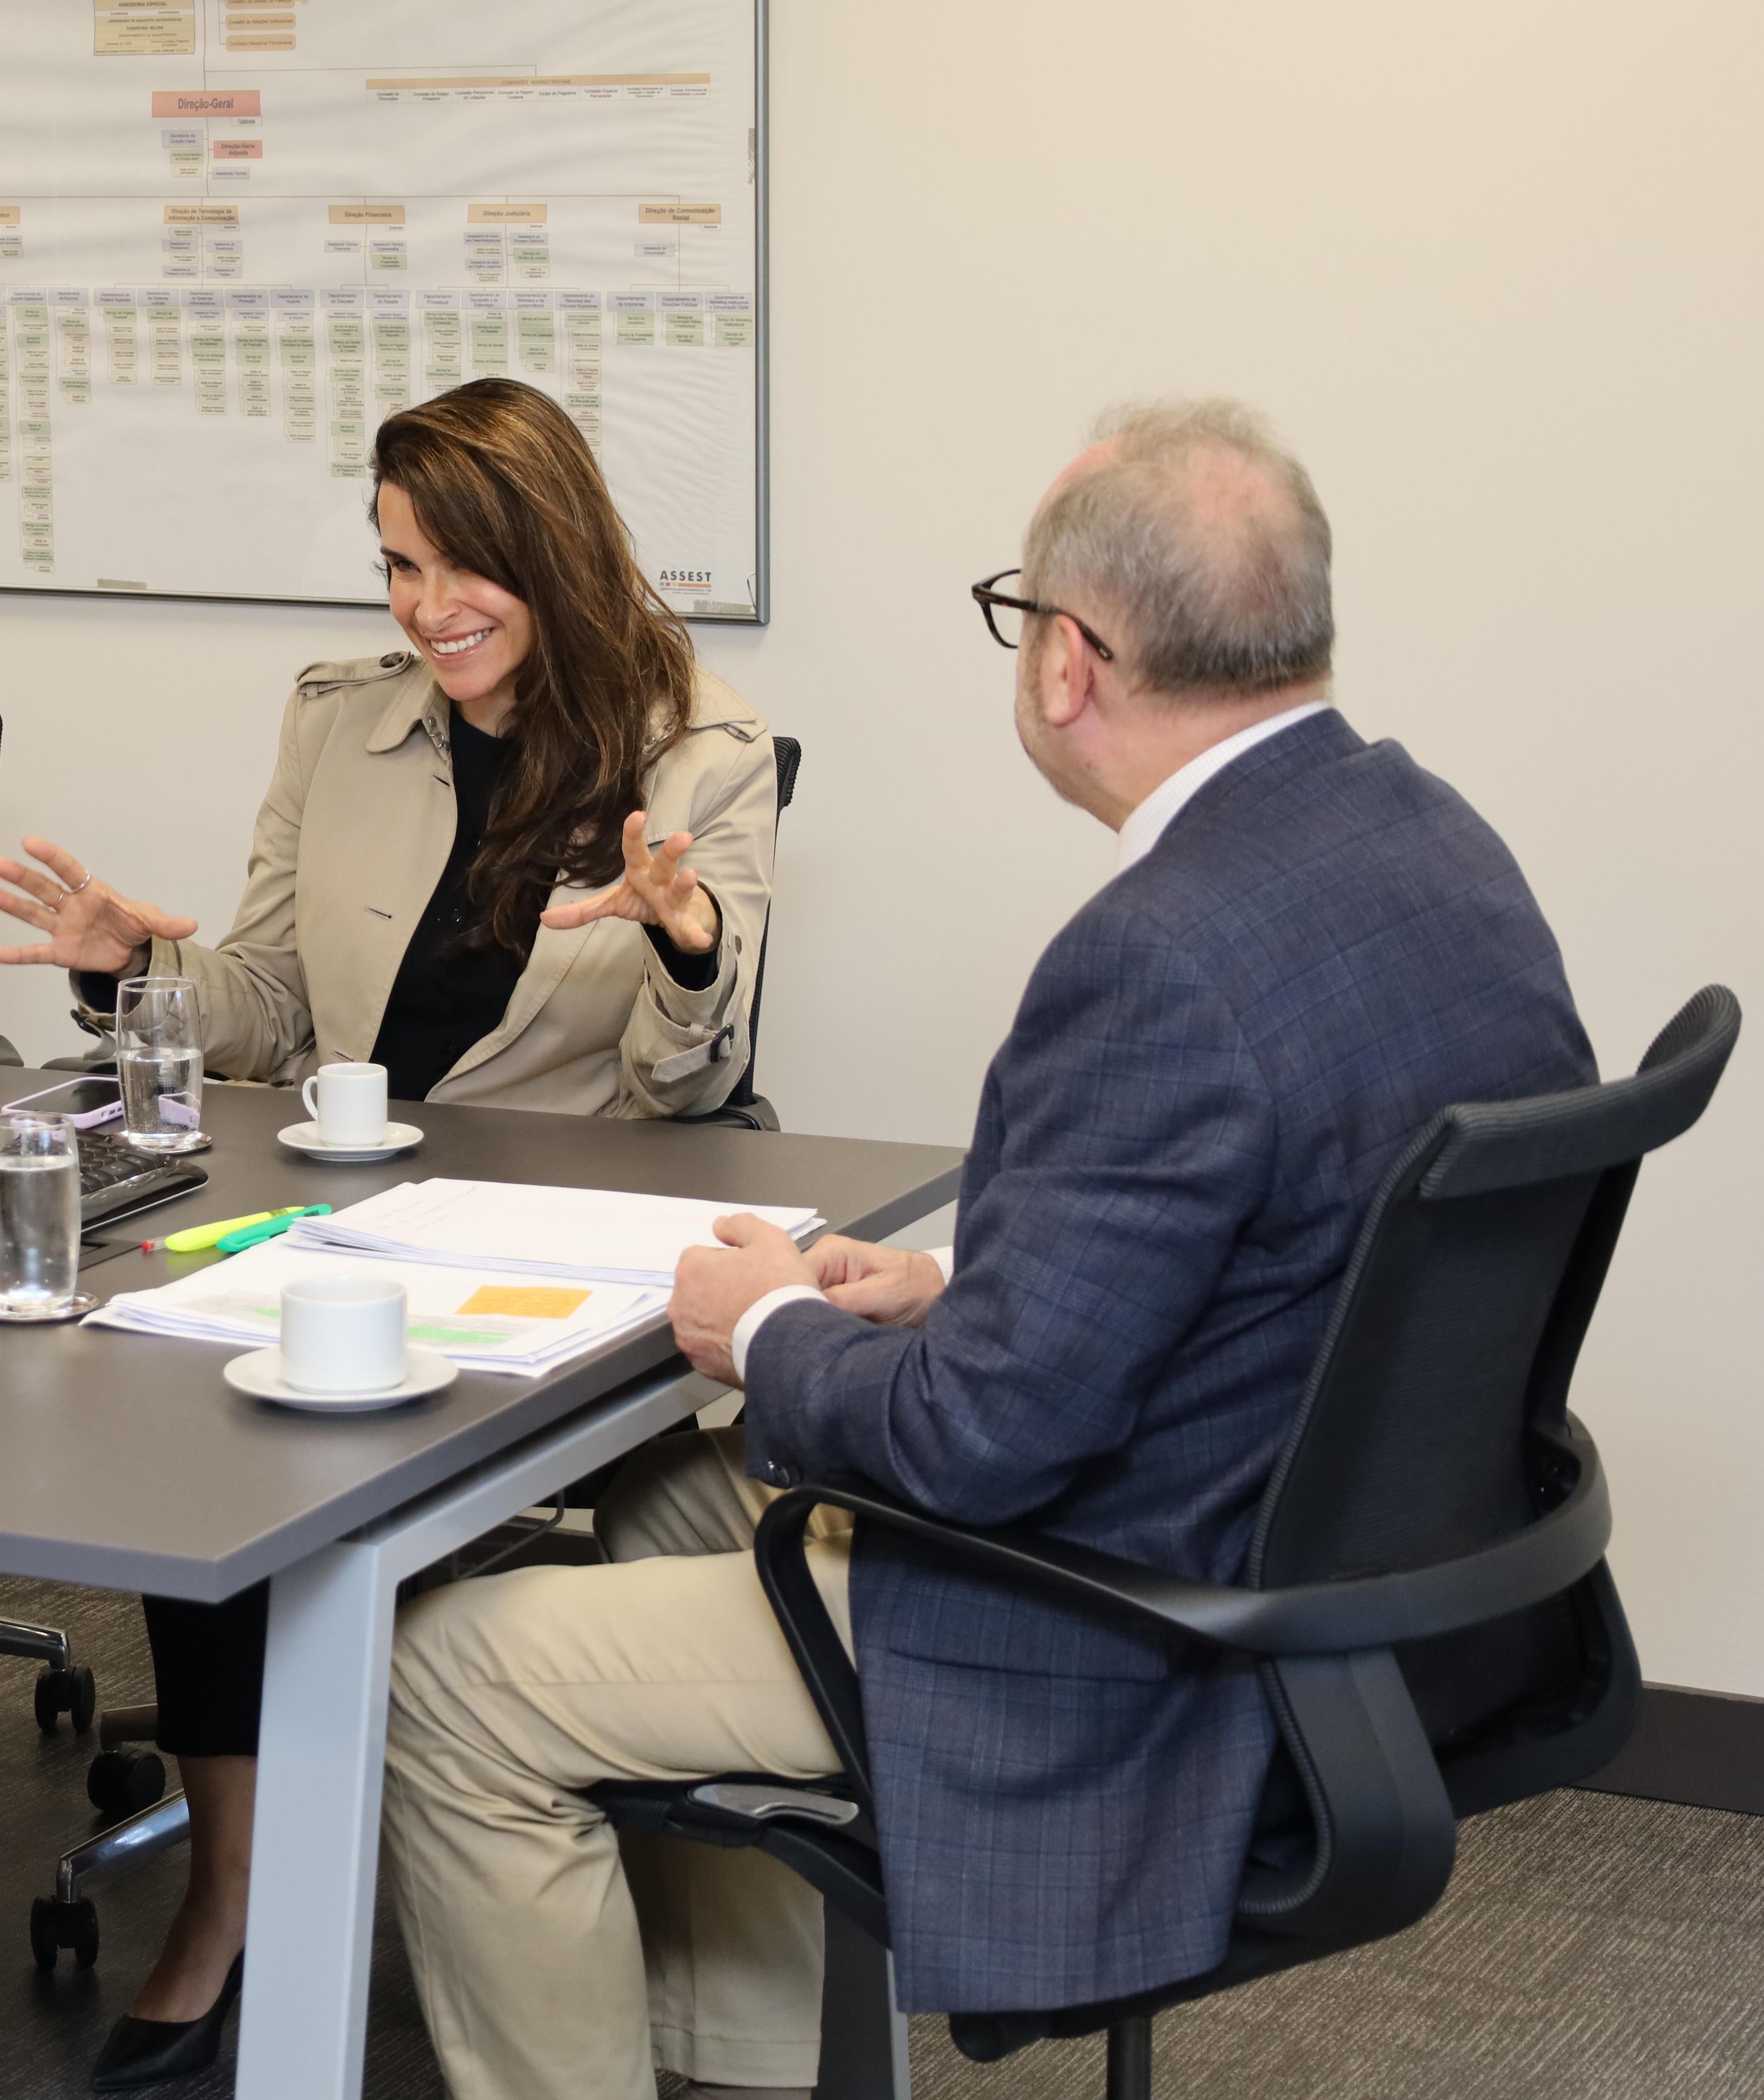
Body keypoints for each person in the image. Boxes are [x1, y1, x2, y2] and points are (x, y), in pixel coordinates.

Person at [372, 399, 1598, 2100]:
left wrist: (776, 1328)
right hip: (1335, 1577)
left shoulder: (1160, 958)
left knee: (449, 1672)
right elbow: (1291, 1266)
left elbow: (978, 1441)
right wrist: (945, 1299)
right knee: (664, 1498)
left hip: (1120, 1628)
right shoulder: (1434, 847)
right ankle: (744, 2070)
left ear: (1068, 662)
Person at [0, 378, 781, 2088]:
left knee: (300, 1452)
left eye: (458, 570)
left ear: (551, 553)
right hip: (344, 1207)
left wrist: (688, 943)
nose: (426, 610)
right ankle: (243, 1888)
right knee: (191, 1413)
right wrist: (138, 968)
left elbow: (690, 1074)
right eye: (398, 568)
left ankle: (422, 1791)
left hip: (568, 1226)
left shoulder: (700, 748)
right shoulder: (342, 720)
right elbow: (269, 1004)